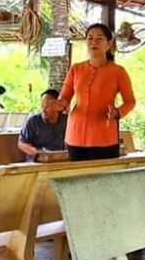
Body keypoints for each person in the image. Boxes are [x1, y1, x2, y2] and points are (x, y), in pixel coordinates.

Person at [55, 23, 136, 162]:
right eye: (90, 38)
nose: (93, 42)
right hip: (75, 135)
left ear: (109, 43)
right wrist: (58, 104)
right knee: (76, 180)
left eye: (99, 38)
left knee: (102, 180)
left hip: (104, 136)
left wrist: (117, 113)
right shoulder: (76, 69)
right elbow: (65, 97)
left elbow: (130, 101)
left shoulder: (118, 72)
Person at [18, 89, 67, 161]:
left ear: (58, 106)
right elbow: (22, 144)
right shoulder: (33, 121)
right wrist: (38, 153)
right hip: (36, 162)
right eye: (42, 106)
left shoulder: (67, 121)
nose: (43, 110)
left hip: (59, 161)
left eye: (47, 107)